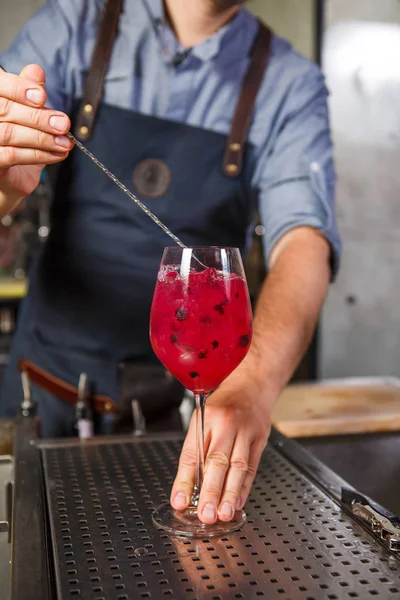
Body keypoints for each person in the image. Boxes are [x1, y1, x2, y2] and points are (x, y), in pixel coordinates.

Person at [0, 0, 340, 526]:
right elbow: (12, 169)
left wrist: (253, 381)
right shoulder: (73, 24)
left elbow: (304, 241)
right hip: (40, 392)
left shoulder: (290, 83)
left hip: (174, 417)